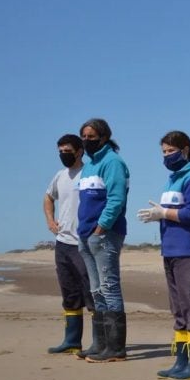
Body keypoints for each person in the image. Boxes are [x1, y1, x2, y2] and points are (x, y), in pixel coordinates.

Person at [138, 130, 190, 380]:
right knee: (179, 309)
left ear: (185, 150)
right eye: (163, 152)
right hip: (171, 251)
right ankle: (182, 362)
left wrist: (164, 214)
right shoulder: (173, 180)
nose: (167, 156)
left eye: (171, 151)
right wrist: (159, 216)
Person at [77, 118, 130, 363]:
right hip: (86, 234)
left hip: (105, 234)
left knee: (109, 288)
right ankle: (99, 343)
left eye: (91, 136)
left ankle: (116, 348)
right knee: (96, 290)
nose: (87, 141)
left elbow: (116, 200)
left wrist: (100, 229)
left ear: (104, 137)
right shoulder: (88, 167)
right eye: (84, 137)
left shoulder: (113, 163)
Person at [44, 134, 94, 354]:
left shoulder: (90, 173)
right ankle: (72, 341)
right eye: (60, 151)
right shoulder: (60, 176)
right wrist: (50, 221)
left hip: (84, 243)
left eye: (67, 151)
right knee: (69, 294)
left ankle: (99, 342)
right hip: (62, 243)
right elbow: (48, 198)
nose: (63, 155)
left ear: (79, 151)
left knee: (91, 293)